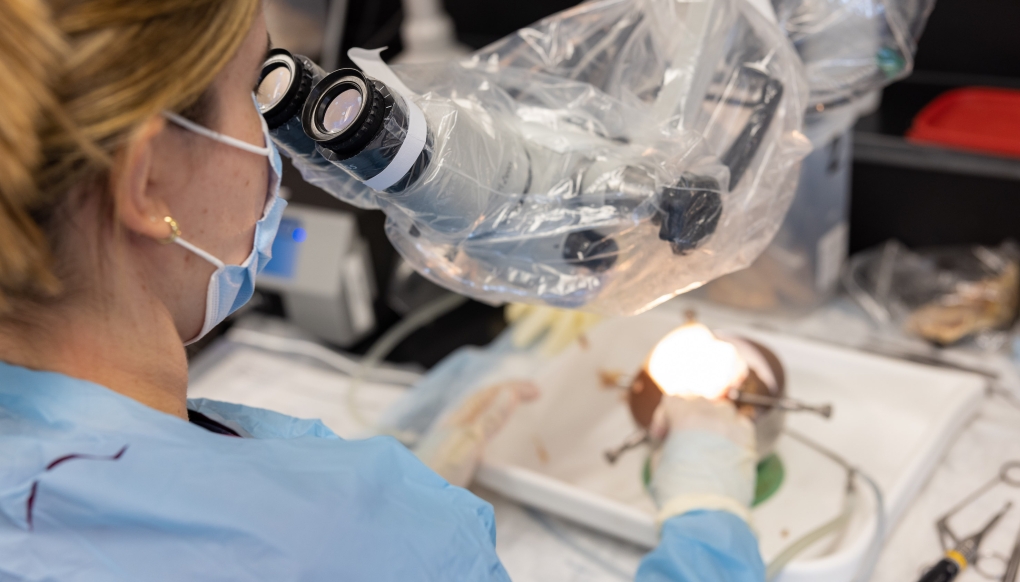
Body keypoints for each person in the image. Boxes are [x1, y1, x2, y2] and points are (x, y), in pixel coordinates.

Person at [0, 0, 765, 580]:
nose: (274, 143)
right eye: (254, 90)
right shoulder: (348, 543)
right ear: (149, 180)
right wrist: (710, 520)